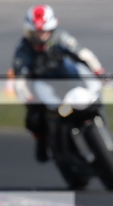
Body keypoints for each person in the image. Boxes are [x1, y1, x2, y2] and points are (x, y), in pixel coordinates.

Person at [12, 4, 106, 163]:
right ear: (29, 31)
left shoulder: (62, 37)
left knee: (96, 97)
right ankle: (41, 142)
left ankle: (103, 134)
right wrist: (27, 97)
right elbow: (19, 80)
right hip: (43, 88)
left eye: (45, 31)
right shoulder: (23, 50)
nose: (41, 36)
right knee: (34, 119)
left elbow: (83, 53)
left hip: (69, 80)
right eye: (37, 32)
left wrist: (98, 71)